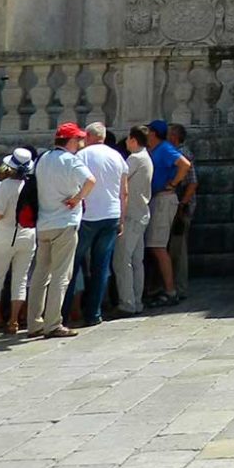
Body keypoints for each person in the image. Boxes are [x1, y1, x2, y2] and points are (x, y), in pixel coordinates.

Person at [28, 123, 94, 340]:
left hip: (44, 222)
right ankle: (53, 323)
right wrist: (77, 199)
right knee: (60, 275)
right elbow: (90, 180)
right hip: (64, 222)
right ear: (72, 141)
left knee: (40, 274)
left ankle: (33, 322)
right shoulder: (71, 160)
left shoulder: (43, 158)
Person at [68, 123, 127, 327]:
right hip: (111, 213)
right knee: (101, 266)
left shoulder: (82, 156)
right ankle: (94, 313)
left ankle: (66, 311)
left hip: (87, 215)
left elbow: (74, 183)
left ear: (90, 136)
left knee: (73, 264)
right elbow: (124, 192)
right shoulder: (117, 156)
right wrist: (122, 219)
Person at [0, 148, 37, 338]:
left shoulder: (3, 186)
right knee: (21, 279)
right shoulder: (32, 185)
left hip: (6, 233)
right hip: (28, 233)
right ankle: (14, 321)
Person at [144, 119, 192, 308]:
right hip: (159, 198)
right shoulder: (157, 150)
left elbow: (184, 164)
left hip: (164, 198)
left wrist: (173, 183)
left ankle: (170, 291)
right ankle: (165, 288)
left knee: (158, 246)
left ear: (154, 133)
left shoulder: (164, 148)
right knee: (157, 246)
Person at [114, 125, 153, 317]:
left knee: (122, 260)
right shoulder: (146, 157)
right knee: (137, 260)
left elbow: (120, 180)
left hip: (131, 215)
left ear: (133, 140)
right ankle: (136, 300)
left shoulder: (135, 159)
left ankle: (127, 303)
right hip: (142, 213)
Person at [167, 123, 198, 301]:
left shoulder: (182, 154)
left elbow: (193, 183)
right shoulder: (177, 152)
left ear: (174, 137)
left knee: (178, 248)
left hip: (181, 208)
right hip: (178, 206)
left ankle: (180, 287)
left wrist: (182, 206)